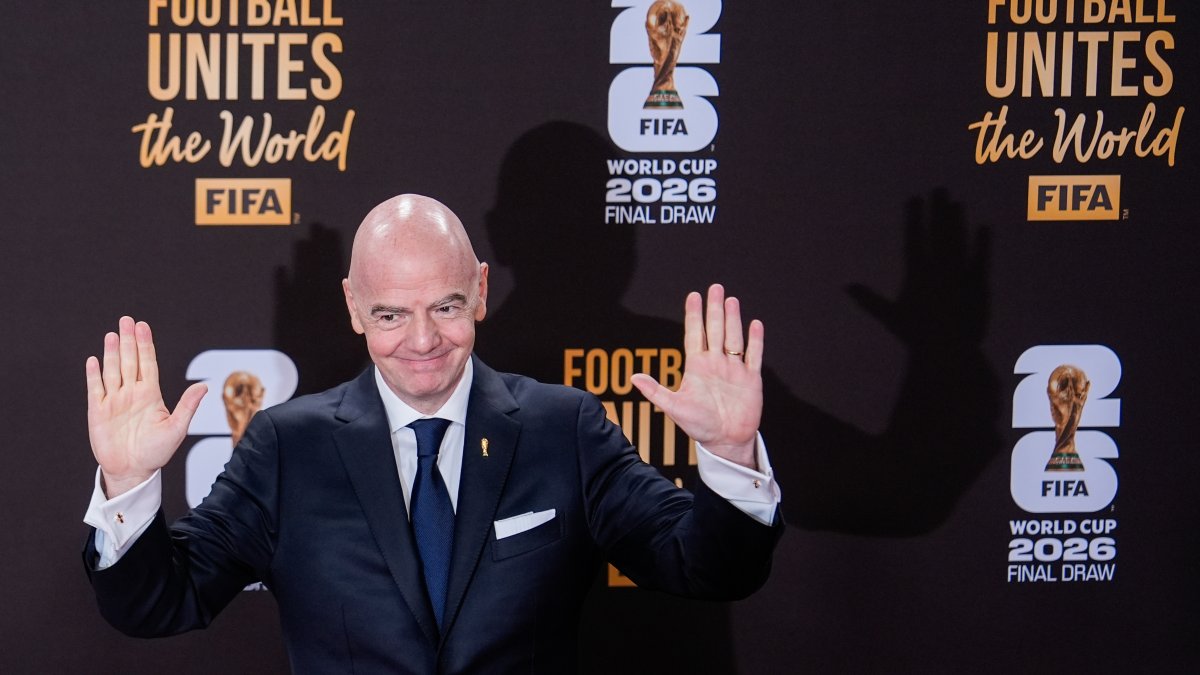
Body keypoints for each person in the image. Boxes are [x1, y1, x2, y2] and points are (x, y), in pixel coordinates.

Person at [83, 194, 782, 674]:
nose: (422, 340)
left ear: (480, 288)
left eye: (445, 306)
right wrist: (129, 484)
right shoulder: (285, 449)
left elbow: (707, 566)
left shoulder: (562, 428)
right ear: (354, 305)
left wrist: (728, 455)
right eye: (390, 315)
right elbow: (161, 601)